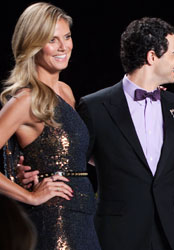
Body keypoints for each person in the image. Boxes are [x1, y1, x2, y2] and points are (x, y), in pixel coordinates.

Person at [77, 17, 174, 250]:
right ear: (152, 57)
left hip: (172, 236)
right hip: (118, 237)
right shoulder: (94, 107)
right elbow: (76, 163)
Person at [0, 2, 100, 250]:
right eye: (52, 40)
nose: (63, 46)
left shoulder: (66, 91)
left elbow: (78, 154)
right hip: (54, 223)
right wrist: (30, 196)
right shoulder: (26, 99)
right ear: (33, 45)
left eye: (66, 37)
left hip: (85, 216)